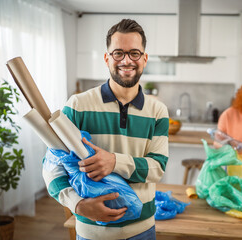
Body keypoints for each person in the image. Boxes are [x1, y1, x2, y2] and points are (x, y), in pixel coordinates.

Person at [42, 19, 169, 240]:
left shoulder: (157, 110)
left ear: (144, 59)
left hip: (142, 231)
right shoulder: (77, 105)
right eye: (118, 53)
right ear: (106, 58)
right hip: (92, 232)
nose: (126, 60)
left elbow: (157, 168)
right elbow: (51, 166)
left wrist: (114, 162)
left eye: (134, 53)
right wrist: (78, 205)